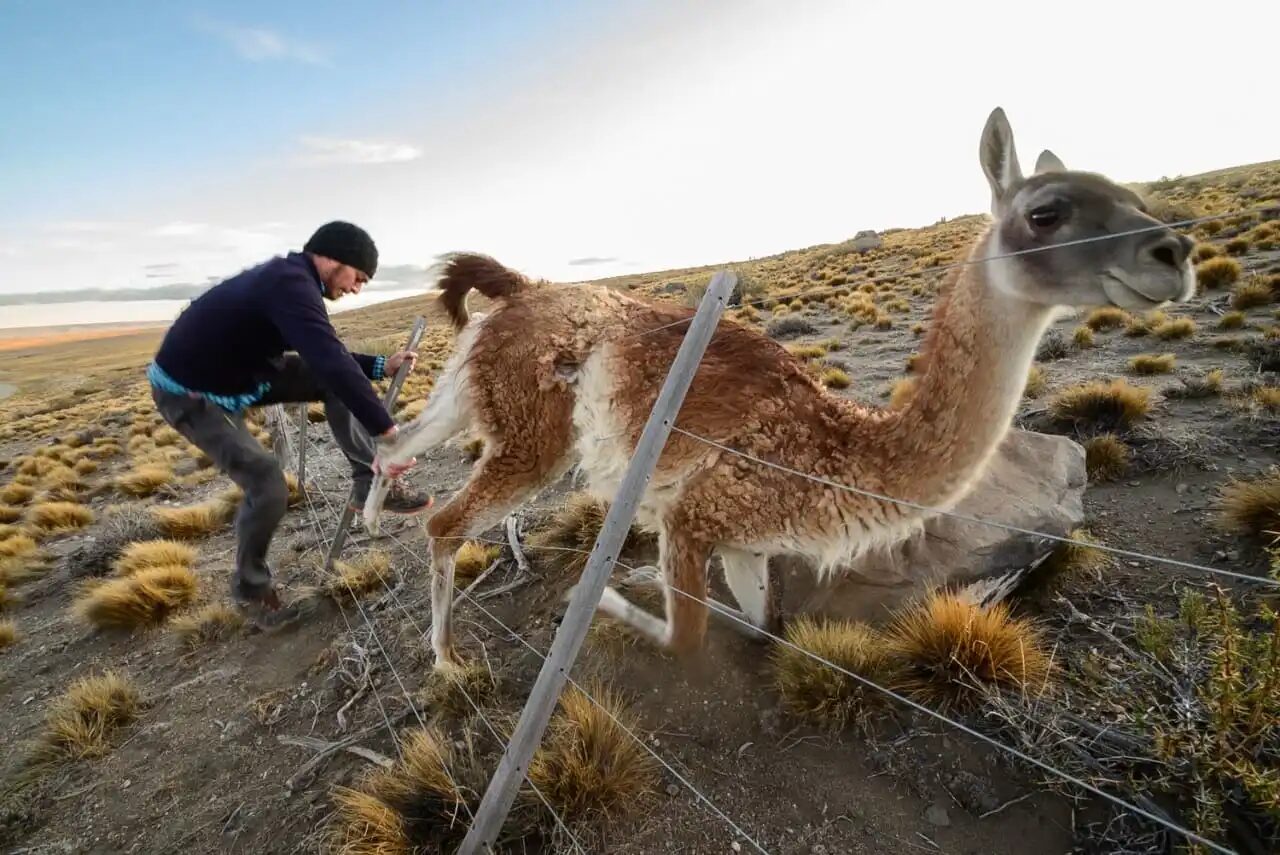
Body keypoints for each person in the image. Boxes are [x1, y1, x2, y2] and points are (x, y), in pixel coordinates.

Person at [147, 220, 428, 624]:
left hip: (243, 374)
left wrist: (380, 365)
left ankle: (369, 480)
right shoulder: (289, 285)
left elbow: (323, 350)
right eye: (358, 277)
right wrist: (389, 434)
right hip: (191, 393)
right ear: (334, 258)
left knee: (333, 384)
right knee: (267, 483)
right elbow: (328, 358)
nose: (356, 288)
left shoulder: (292, 281)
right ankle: (252, 590)